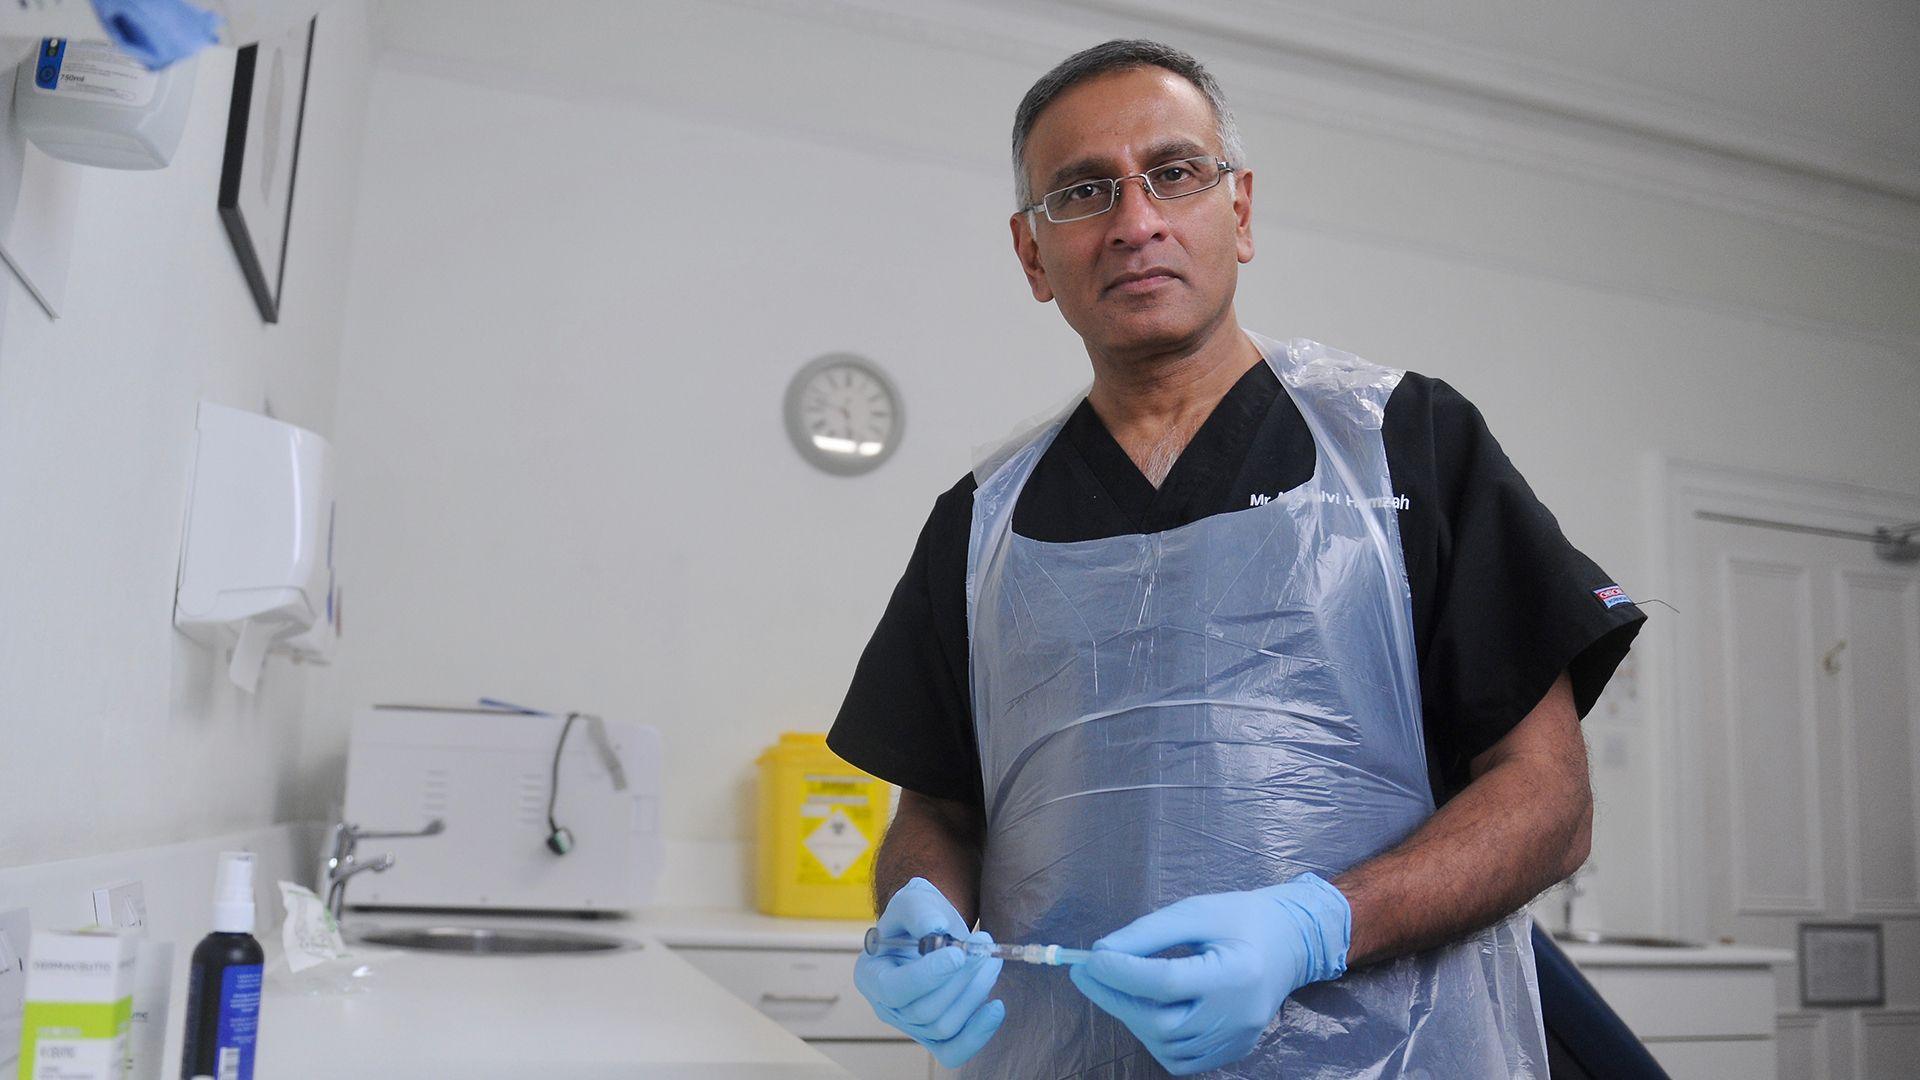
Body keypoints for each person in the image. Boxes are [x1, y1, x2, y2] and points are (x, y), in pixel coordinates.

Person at [829, 38, 1645, 1079]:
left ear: (1241, 210)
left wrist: (1316, 926)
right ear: (1033, 256)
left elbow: (1549, 800)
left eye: (1173, 173)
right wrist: (924, 920)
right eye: (1081, 193)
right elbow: (937, 812)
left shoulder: (1403, 446)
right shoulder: (982, 525)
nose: (1135, 222)